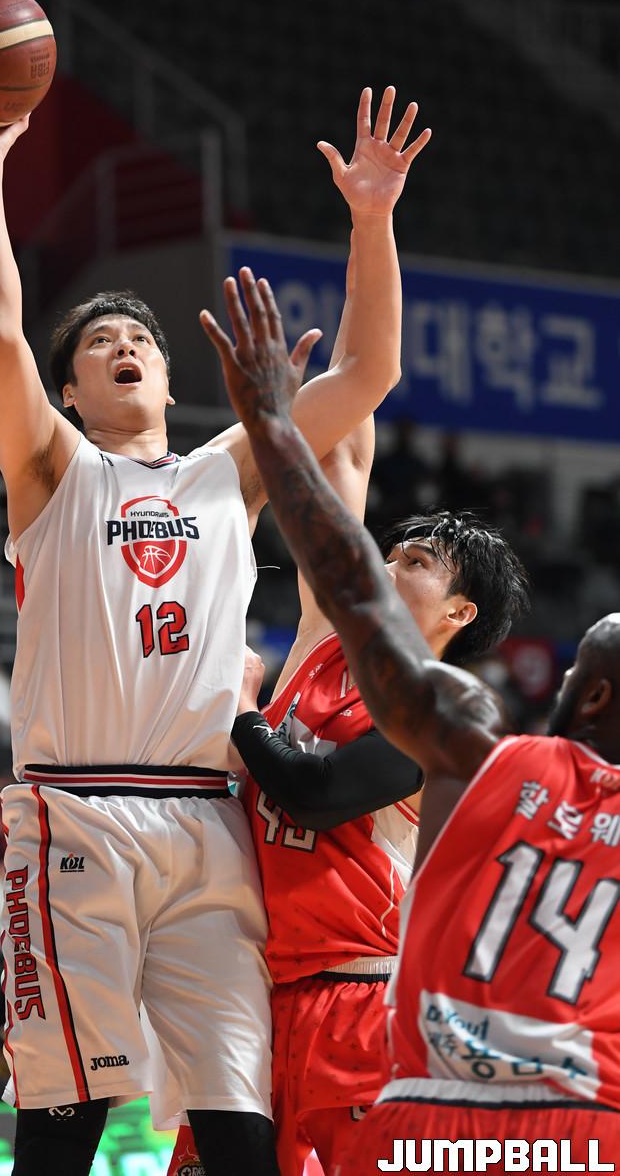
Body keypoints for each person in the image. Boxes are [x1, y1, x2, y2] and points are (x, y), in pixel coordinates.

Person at [0, 81, 429, 1176]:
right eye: (100, 342)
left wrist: (372, 219)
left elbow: (368, 374)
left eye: (137, 337)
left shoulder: (227, 471)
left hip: (207, 824)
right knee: (65, 1125)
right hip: (77, 811)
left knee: (240, 1129)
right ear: (69, 389)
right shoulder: (52, 467)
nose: (124, 346)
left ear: (163, 373)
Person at [202, 273, 620, 1170]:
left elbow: (313, 793)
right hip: (253, 992)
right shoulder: (323, 637)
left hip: (360, 995)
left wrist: (241, 712)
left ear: (459, 613)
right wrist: (369, 219)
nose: (388, 564)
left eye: (418, 561)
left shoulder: (445, 716)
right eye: (388, 551)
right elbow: (354, 422)